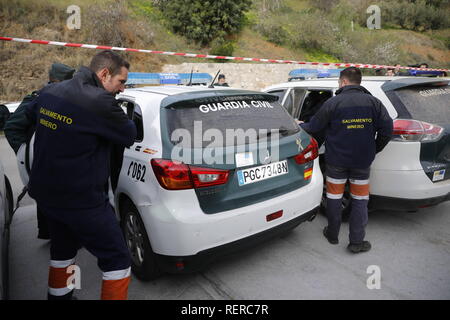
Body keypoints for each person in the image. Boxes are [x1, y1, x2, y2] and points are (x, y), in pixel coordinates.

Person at [24, 50, 137, 300]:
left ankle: (60, 296)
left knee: (64, 252)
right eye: (121, 82)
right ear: (104, 73)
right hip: (82, 202)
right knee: (117, 260)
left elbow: (30, 117)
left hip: (47, 198)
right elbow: (129, 134)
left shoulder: (51, 91)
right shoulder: (100, 102)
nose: (122, 89)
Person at [299, 67, 393, 254]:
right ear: (359, 81)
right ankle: (357, 242)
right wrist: (374, 149)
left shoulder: (333, 103)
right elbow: (387, 130)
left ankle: (332, 234)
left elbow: (315, 126)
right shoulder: (374, 103)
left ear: (343, 82)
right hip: (362, 163)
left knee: (334, 197)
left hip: (336, 162)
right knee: (360, 200)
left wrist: (300, 125)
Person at [4, 63, 76, 240]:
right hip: (43, 161)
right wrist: (24, 151)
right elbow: (12, 127)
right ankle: (54, 235)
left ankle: (53, 233)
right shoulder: (37, 98)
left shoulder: (64, 99)